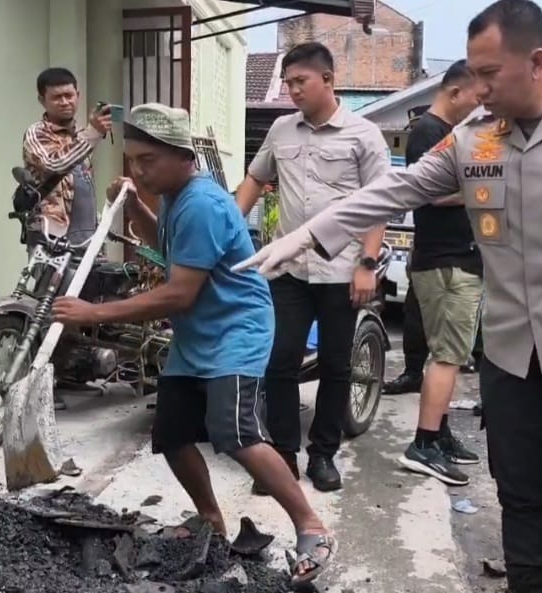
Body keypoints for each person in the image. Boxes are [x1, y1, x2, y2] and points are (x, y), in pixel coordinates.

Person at [236, 2, 542, 591]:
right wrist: (309, 232)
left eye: (488, 74)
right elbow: (395, 188)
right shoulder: (472, 141)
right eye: (472, 75)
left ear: (536, 62)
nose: (476, 90)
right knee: (522, 493)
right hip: (510, 354)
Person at [50, 103, 337, 586]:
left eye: (148, 161)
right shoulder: (173, 197)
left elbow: (179, 292)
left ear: (183, 156)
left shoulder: (202, 203)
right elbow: (169, 251)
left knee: (237, 435)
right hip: (197, 333)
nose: (139, 170)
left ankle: (312, 527)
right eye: (133, 160)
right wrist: (137, 206)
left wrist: (94, 312)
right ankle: (210, 520)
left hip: (235, 332)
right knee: (172, 433)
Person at [235, 42, 391, 494]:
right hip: (288, 267)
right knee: (280, 361)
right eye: (287, 83)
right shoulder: (282, 130)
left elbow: (380, 203)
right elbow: (254, 180)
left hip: (342, 270)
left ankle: (323, 454)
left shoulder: (363, 135)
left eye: (300, 82)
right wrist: (227, 231)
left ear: (328, 79)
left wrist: (367, 262)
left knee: (336, 365)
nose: (292, 91)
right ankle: (284, 455)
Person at [389, 60, 483, 486]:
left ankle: (440, 436)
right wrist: (485, 192)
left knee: (450, 354)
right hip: (446, 261)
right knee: (448, 356)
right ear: (457, 92)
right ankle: (423, 444)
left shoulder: (450, 132)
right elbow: (426, 193)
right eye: (478, 99)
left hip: (457, 259)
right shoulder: (429, 131)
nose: (480, 108)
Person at [21, 67, 112, 410]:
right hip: (51, 235)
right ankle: (42, 385)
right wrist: (91, 134)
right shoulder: (37, 134)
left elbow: (82, 184)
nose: (65, 102)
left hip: (85, 236)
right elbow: (54, 165)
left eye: (70, 95)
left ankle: (69, 372)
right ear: (42, 99)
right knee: (50, 308)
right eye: (57, 96)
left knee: (80, 308)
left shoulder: (78, 134)